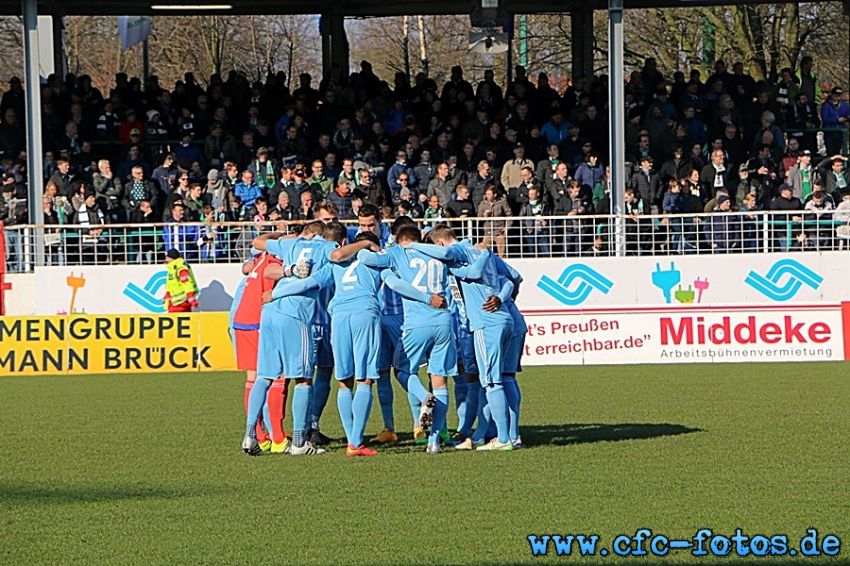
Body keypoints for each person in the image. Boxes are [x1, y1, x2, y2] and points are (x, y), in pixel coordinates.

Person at [163, 248, 199, 313]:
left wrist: (191, 299)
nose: (166, 259)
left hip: (180, 303)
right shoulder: (174, 267)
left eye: (167, 257)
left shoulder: (180, 268)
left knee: (175, 321)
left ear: (172, 258)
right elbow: (171, 285)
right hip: (178, 303)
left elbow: (187, 284)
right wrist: (167, 297)